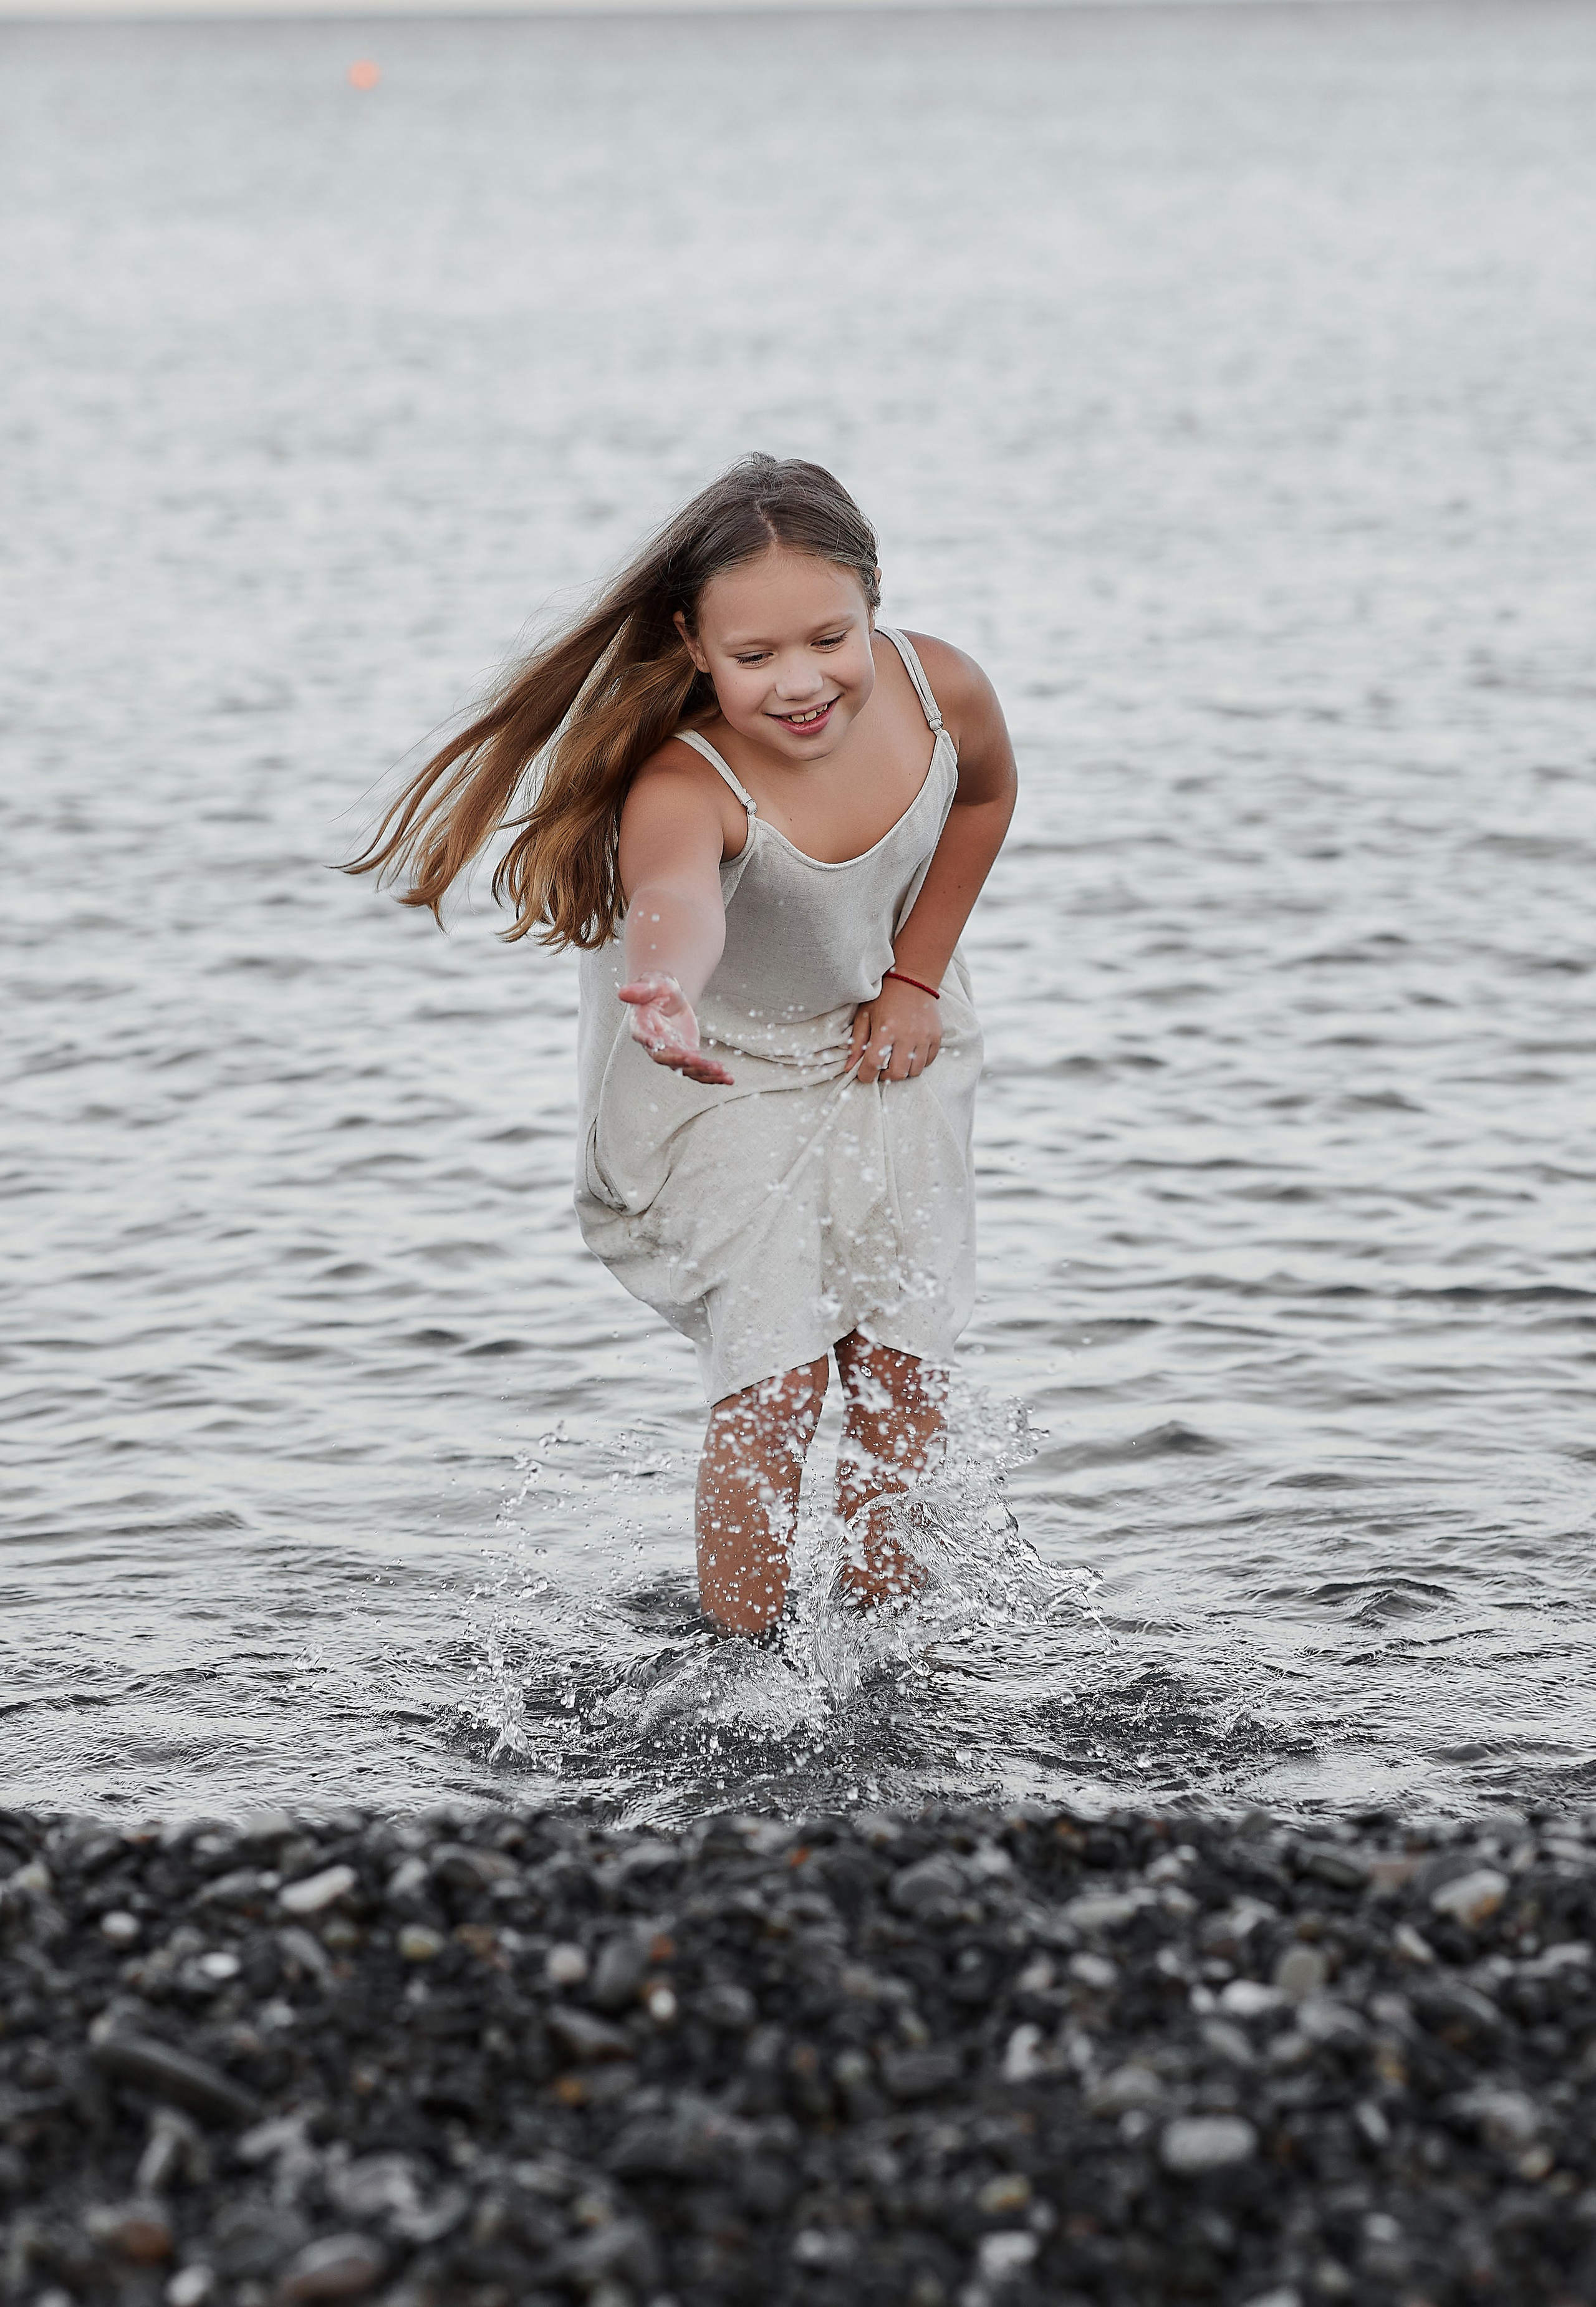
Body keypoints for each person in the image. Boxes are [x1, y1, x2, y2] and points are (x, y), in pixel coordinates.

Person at [349, 455, 1016, 1641]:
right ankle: (745, 1664)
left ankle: (888, 1644)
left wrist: (916, 977)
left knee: (900, 1369)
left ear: (875, 602)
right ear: (694, 645)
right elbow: (674, 897)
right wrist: (661, 987)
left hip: (889, 1035)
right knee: (781, 1378)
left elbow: (980, 802)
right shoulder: (682, 778)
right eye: (755, 658)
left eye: (830, 638)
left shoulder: (941, 688)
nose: (802, 683)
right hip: (714, 1065)